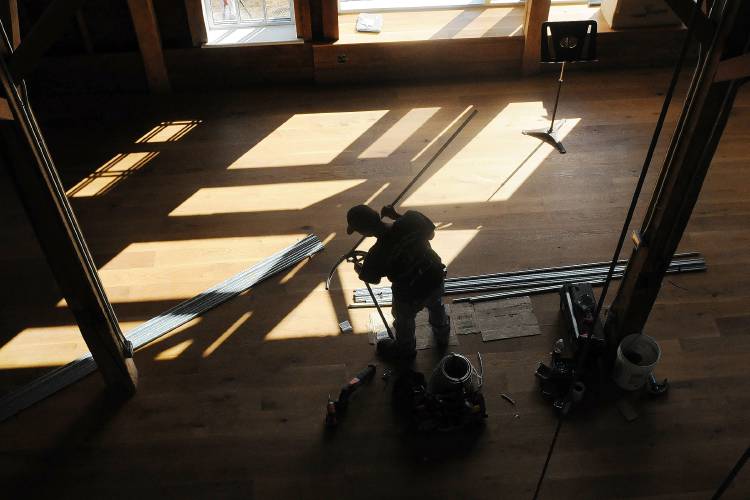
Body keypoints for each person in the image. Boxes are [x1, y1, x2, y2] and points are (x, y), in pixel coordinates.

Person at [346, 204, 450, 361]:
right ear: (377, 213)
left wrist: (359, 269)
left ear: (364, 233)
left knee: (404, 321)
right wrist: (396, 215)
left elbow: (372, 279)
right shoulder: (411, 219)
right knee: (436, 306)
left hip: (409, 295)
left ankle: (406, 348)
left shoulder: (375, 255)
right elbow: (430, 234)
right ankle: (442, 334)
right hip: (434, 277)